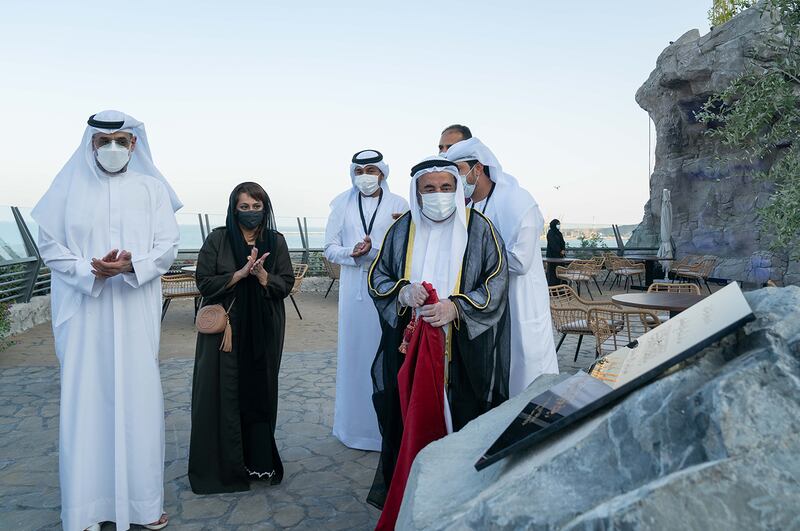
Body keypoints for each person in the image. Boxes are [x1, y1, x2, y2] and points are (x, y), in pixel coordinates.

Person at [31, 110, 182, 531]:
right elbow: (50, 246)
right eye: (104, 141)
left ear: (134, 144)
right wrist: (89, 269)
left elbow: (168, 246)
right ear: (90, 144)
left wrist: (135, 264)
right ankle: (84, 511)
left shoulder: (152, 190)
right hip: (82, 313)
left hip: (135, 311)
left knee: (138, 399)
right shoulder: (67, 189)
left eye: (121, 141)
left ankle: (143, 505)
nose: (113, 148)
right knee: (86, 401)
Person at [367, 156, 510, 509]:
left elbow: (496, 281)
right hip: (411, 348)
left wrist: (456, 307)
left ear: (458, 188)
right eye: (429, 188)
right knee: (410, 421)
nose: (438, 194)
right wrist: (402, 291)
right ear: (417, 193)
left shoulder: (480, 228)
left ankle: (459, 498)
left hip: (461, 350)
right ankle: (411, 492)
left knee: (462, 420)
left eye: (446, 187)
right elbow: (378, 276)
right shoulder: (401, 230)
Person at [188, 182, 296, 494]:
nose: (250, 213)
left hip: (264, 331)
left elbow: (285, 284)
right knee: (219, 394)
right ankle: (223, 467)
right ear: (234, 208)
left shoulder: (275, 241)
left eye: (256, 206)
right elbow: (204, 282)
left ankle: (258, 463)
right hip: (225, 334)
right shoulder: (218, 239)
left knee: (259, 391)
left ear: (266, 208)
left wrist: (263, 276)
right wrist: (239, 274)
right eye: (244, 207)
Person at [445, 137, 559, 398]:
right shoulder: (470, 207)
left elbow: (520, 261)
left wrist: (481, 257)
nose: (456, 180)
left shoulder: (518, 202)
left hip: (520, 300)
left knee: (526, 366)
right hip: (487, 302)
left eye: (459, 171)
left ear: (479, 168)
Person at [324, 150, 408, 451]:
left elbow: (406, 246)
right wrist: (352, 252)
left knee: (385, 354)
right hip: (352, 293)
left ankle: (384, 430)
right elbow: (329, 248)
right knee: (353, 356)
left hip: (387, 292)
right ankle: (352, 428)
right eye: (359, 170)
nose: (365, 176)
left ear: (382, 173)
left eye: (370, 170)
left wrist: (375, 251)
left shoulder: (400, 204)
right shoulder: (341, 204)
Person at [546, 219, 566, 286]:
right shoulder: (550, 233)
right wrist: (559, 251)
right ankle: (553, 287)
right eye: (557, 224)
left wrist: (563, 249)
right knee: (552, 271)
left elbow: (563, 242)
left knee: (560, 271)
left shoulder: (559, 233)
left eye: (559, 224)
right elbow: (553, 244)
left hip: (560, 257)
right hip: (552, 256)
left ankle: (561, 287)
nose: (558, 225)